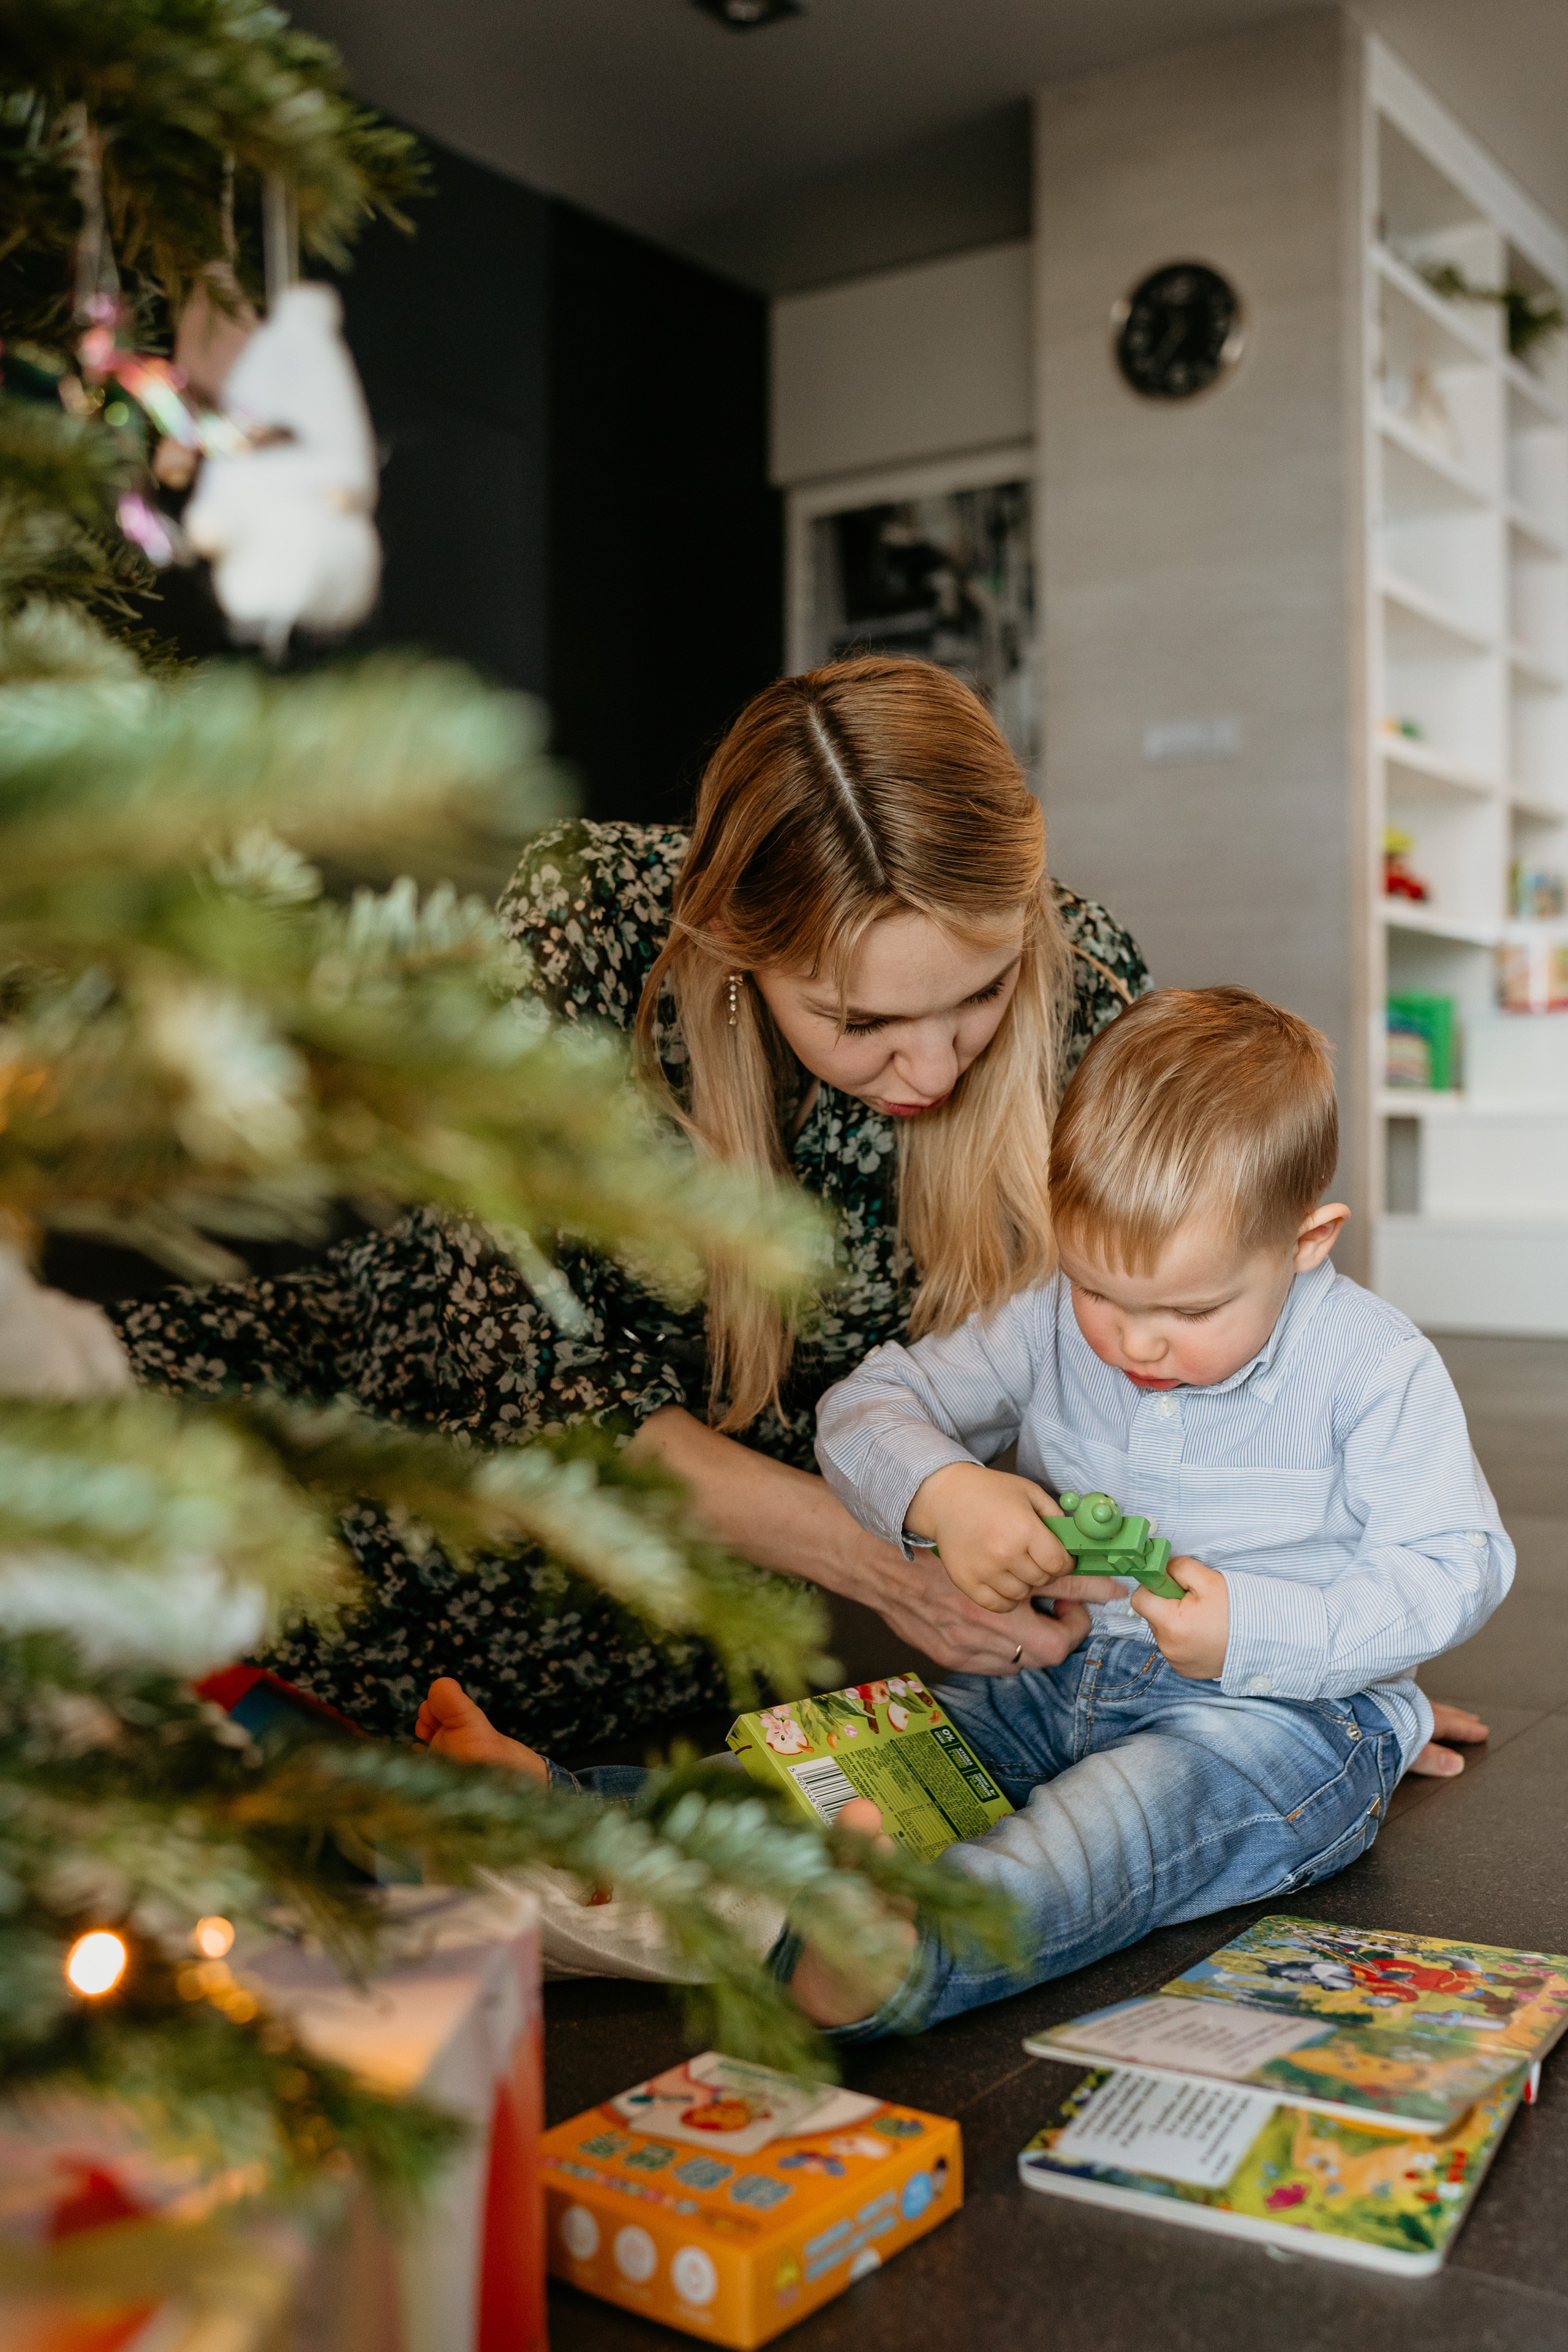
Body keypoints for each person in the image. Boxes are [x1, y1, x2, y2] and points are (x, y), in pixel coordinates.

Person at [106, 655, 1148, 1754]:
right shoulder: (587, 927)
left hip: (661, 1647)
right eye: (860, 1023)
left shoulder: (1091, 982)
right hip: (327, 1498)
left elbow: (1181, 1320)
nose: (932, 1069)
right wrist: (890, 1559)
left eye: (979, 994)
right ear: (741, 949)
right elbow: (533, 1386)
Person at [786, 985, 1514, 2033]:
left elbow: (1454, 1562)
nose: (1134, 1344)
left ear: (1307, 1241)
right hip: (1062, 1675)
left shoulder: (1373, 1362)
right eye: (1100, 1291)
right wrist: (949, 1493)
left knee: (1118, 1821)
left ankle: (904, 1956)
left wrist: (1260, 1632)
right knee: (864, 1750)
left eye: (1191, 1309)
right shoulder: (1044, 1317)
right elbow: (864, 1407)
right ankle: (562, 1814)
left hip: (1282, 1718)